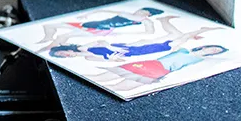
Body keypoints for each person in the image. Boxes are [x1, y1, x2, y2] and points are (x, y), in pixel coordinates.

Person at [44, 15, 221, 62]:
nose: (67, 56)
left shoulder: (84, 49)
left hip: (129, 47)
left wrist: (111, 49)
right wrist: (113, 58)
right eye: (64, 57)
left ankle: (195, 31)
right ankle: (191, 31)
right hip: (132, 53)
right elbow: (109, 60)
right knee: (170, 41)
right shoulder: (87, 57)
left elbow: (101, 43)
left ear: (66, 49)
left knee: (170, 42)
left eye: (64, 53)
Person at [85, 45, 228, 92]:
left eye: (216, 51)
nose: (214, 51)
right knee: (107, 77)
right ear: (206, 46)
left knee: (123, 87)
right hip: (153, 64)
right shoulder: (184, 49)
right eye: (214, 48)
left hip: (162, 71)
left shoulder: (202, 60)